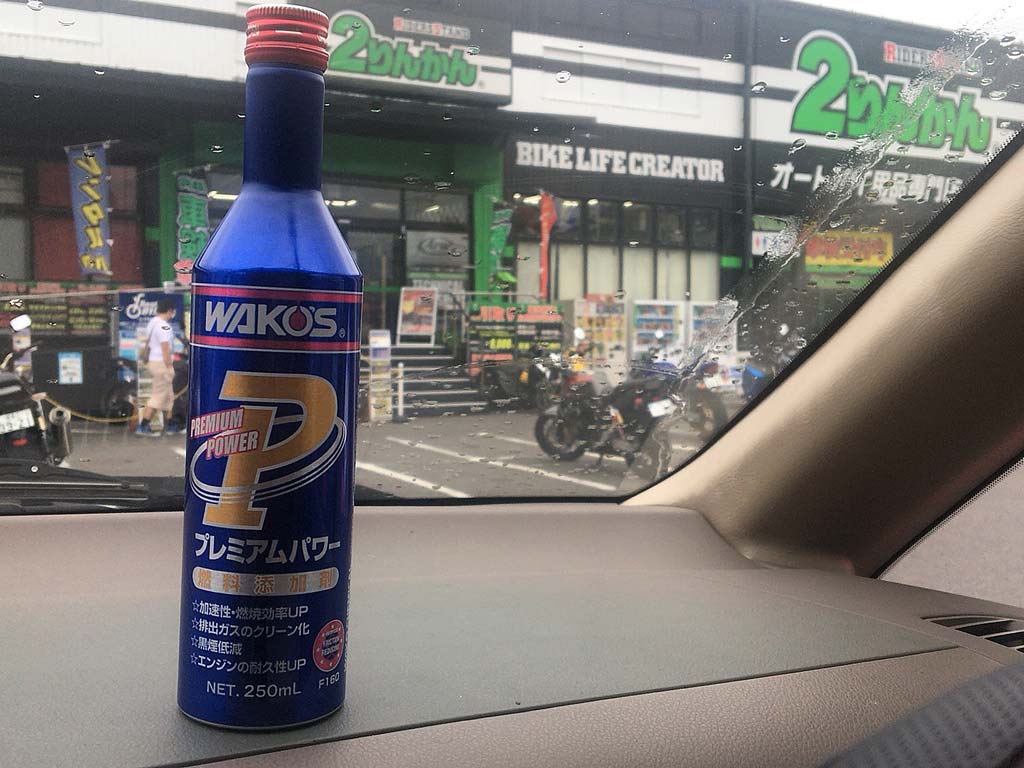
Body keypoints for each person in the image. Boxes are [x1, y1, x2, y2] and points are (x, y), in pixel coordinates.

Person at [135, 298, 182, 436]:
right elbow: (165, 348)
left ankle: (171, 424)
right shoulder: (163, 326)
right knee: (158, 395)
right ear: (169, 311)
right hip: (162, 363)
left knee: (168, 395)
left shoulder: (152, 323)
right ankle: (143, 425)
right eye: (172, 312)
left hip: (153, 361)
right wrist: (169, 367)